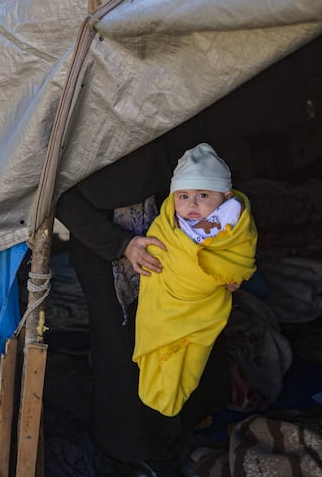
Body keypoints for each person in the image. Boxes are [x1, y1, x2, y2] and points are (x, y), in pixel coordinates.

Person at [55, 122, 232, 475]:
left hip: (170, 234)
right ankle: (129, 449)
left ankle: (179, 427)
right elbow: (59, 197)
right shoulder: (75, 123)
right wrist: (122, 245)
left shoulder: (158, 113)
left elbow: (206, 192)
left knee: (182, 334)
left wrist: (224, 261)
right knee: (122, 349)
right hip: (103, 247)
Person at [133, 143, 257, 420]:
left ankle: (179, 402)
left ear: (225, 196)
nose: (191, 205)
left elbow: (240, 255)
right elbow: (158, 249)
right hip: (166, 305)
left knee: (192, 361)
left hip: (202, 307)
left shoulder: (232, 217)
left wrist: (230, 273)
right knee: (161, 353)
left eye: (203, 195)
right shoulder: (167, 223)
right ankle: (160, 395)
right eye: (184, 196)